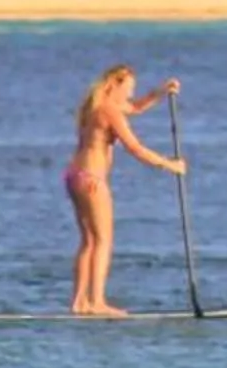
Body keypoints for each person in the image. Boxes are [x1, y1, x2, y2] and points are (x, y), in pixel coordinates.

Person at [66, 65, 186, 317]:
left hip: (74, 176)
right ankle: (97, 302)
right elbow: (135, 148)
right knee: (102, 240)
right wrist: (170, 165)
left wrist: (162, 91)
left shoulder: (94, 106)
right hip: (92, 179)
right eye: (128, 88)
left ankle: (79, 303)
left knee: (88, 241)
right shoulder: (109, 111)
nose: (130, 95)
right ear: (115, 85)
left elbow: (136, 108)